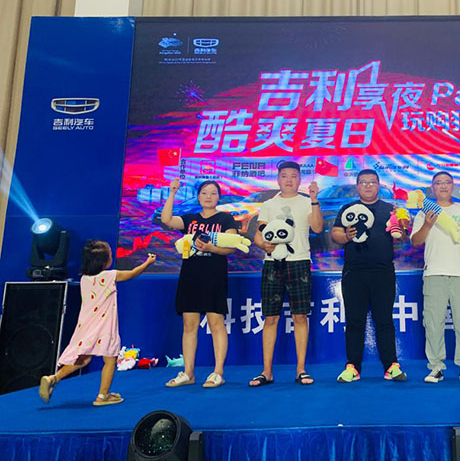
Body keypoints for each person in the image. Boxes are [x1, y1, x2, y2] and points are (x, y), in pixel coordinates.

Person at [39, 241, 156, 406]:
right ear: (104, 261)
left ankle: (54, 378)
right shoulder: (109, 276)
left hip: (86, 327)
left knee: (82, 360)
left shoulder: (84, 279)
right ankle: (102, 395)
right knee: (110, 360)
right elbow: (132, 273)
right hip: (105, 328)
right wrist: (148, 263)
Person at [249, 161, 322, 387]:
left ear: (299, 179)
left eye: (293, 176)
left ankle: (301, 370)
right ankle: (267, 372)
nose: (289, 179)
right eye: (284, 175)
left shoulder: (307, 202)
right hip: (273, 264)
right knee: (270, 318)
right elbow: (259, 234)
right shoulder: (269, 205)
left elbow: (317, 228)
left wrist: (314, 199)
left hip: (299, 262)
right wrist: (263, 245)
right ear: (278, 179)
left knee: (300, 317)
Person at [331, 169, 406, 383]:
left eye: (372, 182)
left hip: (383, 272)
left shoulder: (390, 209)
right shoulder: (348, 209)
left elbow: (401, 236)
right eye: (363, 182)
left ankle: (391, 366)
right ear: (357, 186)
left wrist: (401, 227)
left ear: (379, 185)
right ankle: (353, 367)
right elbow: (335, 234)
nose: (368, 186)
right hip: (354, 272)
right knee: (355, 321)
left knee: (384, 320)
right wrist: (346, 235)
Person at [161, 179, 237, 389]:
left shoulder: (226, 219)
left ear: (219, 197)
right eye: (204, 193)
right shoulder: (190, 219)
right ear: (198, 196)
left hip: (214, 275)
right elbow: (167, 219)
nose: (208, 197)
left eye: (213, 193)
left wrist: (212, 248)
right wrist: (172, 193)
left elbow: (231, 247)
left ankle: (218, 372)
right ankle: (188, 373)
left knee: (216, 323)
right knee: (189, 325)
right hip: (190, 275)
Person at [411, 171, 460, 384]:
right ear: (432, 188)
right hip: (434, 273)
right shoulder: (425, 211)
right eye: (438, 183)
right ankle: (436, 367)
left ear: (453, 186)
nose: (443, 186)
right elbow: (415, 241)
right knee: (433, 323)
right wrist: (428, 224)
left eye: (447, 182)